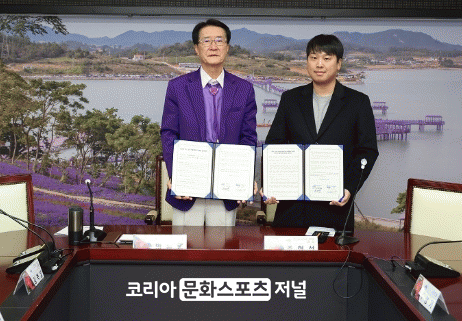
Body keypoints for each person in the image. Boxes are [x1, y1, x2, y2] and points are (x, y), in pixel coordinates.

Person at [264, 34, 378, 232]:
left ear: (339, 63)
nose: (319, 64)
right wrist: (271, 184)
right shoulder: (290, 99)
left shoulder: (358, 102)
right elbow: (274, 145)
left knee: (334, 252)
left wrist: (349, 188)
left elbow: (367, 151)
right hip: (291, 209)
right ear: (307, 62)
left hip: (335, 208)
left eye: (327, 58)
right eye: (313, 57)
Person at [160, 19, 257, 226]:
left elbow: (248, 137)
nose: (213, 46)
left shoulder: (244, 89)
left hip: (227, 189)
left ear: (227, 47)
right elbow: (169, 133)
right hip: (187, 190)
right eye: (206, 41)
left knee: (222, 245)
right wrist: (177, 175)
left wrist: (243, 177)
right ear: (196, 48)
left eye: (219, 40)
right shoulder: (177, 87)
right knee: (186, 245)